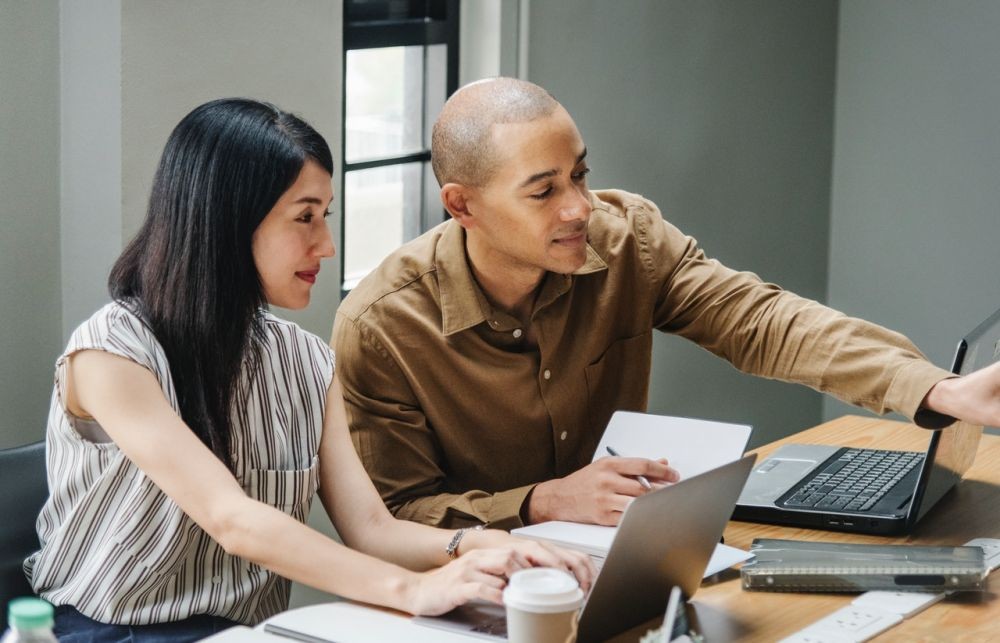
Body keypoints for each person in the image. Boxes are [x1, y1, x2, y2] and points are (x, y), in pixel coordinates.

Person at [24, 98, 593, 641]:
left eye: (326, 215)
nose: (326, 245)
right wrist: (414, 591)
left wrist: (481, 547)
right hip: (106, 633)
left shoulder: (305, 359)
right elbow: (232, 519)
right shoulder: (110, 352)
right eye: (305, 218)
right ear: (226, 222)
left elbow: (373, 529)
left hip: (246, 634)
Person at [331, 77, 1000, 530]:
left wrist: (940, 390)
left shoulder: (626, 239)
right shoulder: (382, 326)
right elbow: (394, 515)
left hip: (627, 559)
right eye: (543, 192)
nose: (579, 207)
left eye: (581, 174)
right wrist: (539, 503)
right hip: (473, 598)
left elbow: (761, 319)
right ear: (462, 205)